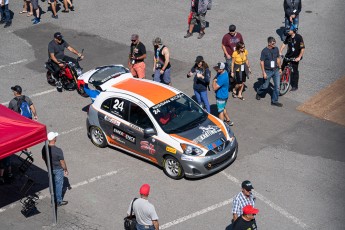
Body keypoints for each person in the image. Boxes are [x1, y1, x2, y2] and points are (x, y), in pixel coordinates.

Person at [41, 132, 69, 206]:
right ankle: (58, 201)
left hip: (50, 169)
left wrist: (47, 164)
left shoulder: (44, 148)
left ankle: (53, 199)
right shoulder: (58, 150)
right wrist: (65, 169)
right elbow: (62, 162)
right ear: (54, 139)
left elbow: (43, 157)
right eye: (55, 137)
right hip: (58, 169)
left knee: (52, 184)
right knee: (58, 185)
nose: (56, 138)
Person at [256, 37, 283, 107]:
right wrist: (264, 72)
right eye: (273, 43)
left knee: (277, 87)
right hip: (268, 71)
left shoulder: (276, 49)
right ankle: (259, 92)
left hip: (276, 70)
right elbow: (262, 62)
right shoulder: (264, 51)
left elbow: (278, 59)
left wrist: (280, 68)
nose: (274, 44)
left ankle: (274, 101)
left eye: (275, 43)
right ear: (269, 43)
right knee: (265, 86)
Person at [280, 24, 305, 91]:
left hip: (295, 57)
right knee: (282, 68)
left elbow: (302, 49)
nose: (288, 31)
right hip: (288, 56)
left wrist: (299, 57)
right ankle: (280, 79)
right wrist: (280, 51)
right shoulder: (288, 37)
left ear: (293, 30)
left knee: (295, 71)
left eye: (289, 30)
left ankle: (295, 85)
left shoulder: (299, 37)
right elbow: (284, 44)